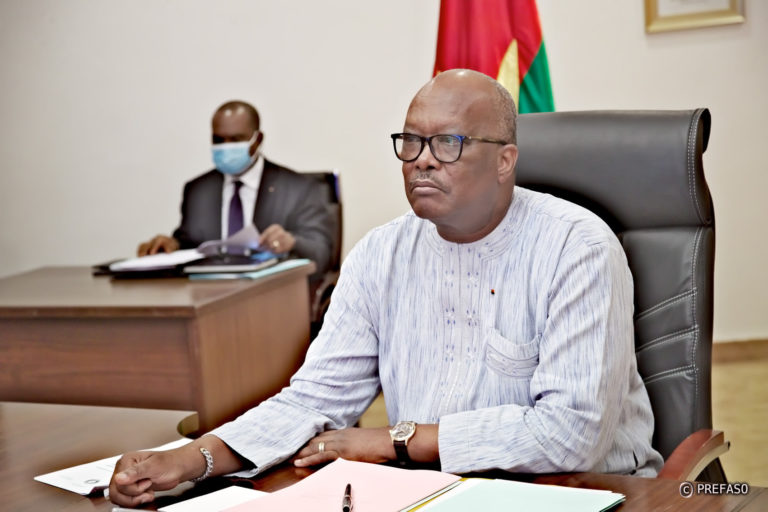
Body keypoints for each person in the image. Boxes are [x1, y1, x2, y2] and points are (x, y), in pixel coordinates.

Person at [109, 70, 663, 507]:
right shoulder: (380, 254)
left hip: (585, 492)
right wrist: (195, 458)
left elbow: (570, 434)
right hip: (432, 491)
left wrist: (395, 440)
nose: (421, 160)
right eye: (411, 142)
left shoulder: (576, 247)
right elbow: (315, 399)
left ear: (504, 161)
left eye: (447, 143)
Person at [136, 100, 334, 277]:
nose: (226, 147)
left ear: (257, 140)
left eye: (236, 139)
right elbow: (190, 243)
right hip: (208, 293)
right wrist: (170, 245)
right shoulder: (198, 190)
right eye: (218, 140)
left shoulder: (299, 188)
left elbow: (322, 253)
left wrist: (292, 242)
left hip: (271, 294)